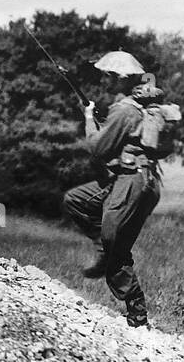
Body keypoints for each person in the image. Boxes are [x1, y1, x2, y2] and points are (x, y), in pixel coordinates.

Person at [61, 52, 169, 328]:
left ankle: (137, 315)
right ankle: (101, 246)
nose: (103, 79)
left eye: (107, 75)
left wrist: (88, 119)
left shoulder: (123, 110)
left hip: (130, 183)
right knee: (77, 199)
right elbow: (125, 142)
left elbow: (98, 150)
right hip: (144, 181)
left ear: (118, 78)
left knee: (115, 250)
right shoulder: (142, 106)